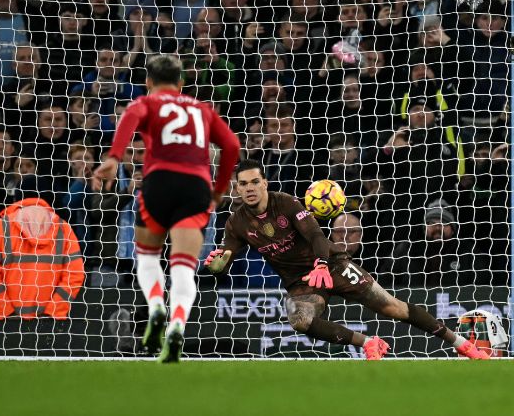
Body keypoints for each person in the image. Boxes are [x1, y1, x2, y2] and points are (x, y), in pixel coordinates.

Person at [204, 160, 489, 360]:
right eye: (243, 184)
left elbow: (316, 235)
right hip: (300, 281)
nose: (250, 188)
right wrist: (219, 266)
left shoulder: (287, 202)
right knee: (300, 320)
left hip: (331, 264)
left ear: (265, 183)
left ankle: (462, 344)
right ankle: (369, 343)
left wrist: (321, 264)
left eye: (255, 181)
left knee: (393, 307)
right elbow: (227, 257)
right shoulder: (236, 223)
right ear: (237, 188)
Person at [92, 55, 240, 362]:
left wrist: (114, 158)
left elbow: (128, 120)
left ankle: (157, 305)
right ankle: (177, 326)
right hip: (196, 187)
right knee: (184, 266)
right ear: (181, 83)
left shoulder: (145, 102)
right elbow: (233, 146)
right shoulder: (202, 109)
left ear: (148, 82)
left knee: (147, 257)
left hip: (158, 182)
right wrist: (220, 187)